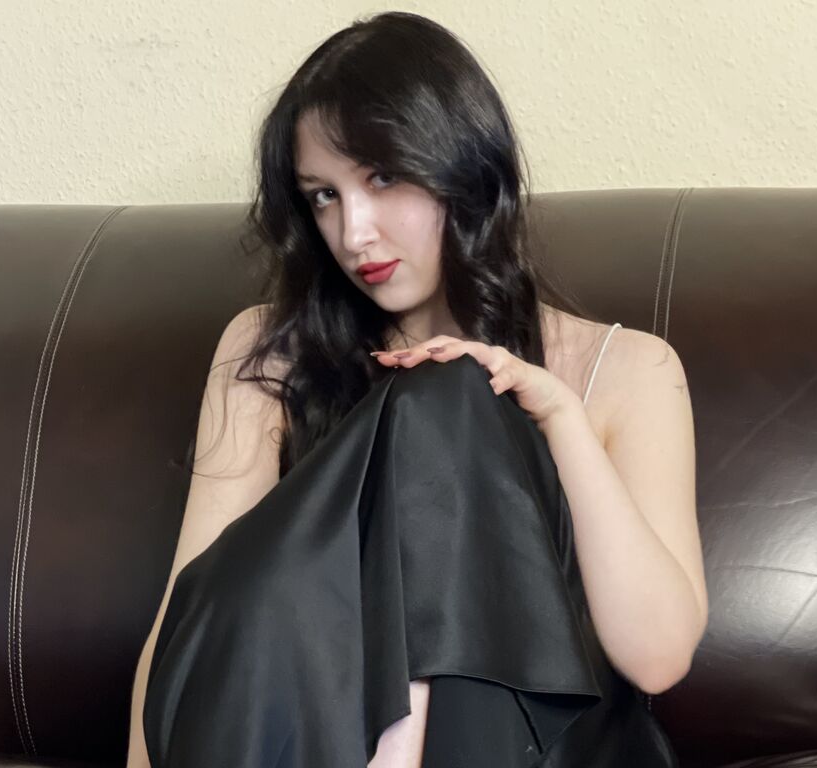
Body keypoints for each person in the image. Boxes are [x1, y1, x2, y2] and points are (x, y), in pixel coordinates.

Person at [125, 11, 707, 768]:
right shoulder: (270, 350)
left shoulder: (629, 369)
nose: (354, 233)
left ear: (463, 165)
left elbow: (658, 658)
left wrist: (560, 417)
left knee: (452, 392)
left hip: (545, 753)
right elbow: (196, 616)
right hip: (318, 741)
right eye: (323, 195)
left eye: (382, 177)